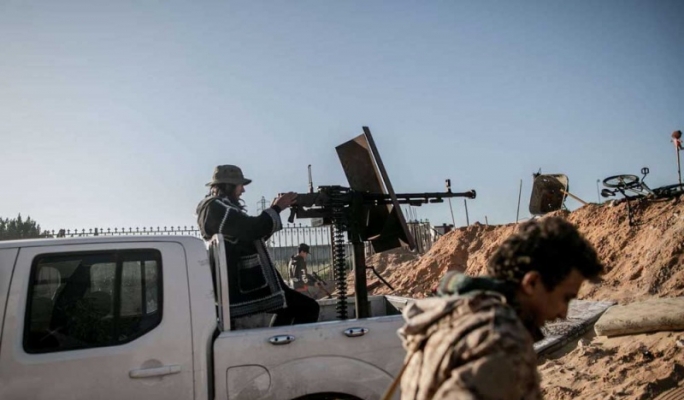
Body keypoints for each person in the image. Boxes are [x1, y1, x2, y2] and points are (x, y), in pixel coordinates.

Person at [393, 216, 604, 400]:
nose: (563, 313)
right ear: (532, 283)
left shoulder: (455, 316)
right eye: (565, 298)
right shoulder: (502, 340)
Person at [196, 165, 320, 327]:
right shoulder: (215, 208)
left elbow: (249, 235)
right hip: (244, 283)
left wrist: (274, 210)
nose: (243, 190)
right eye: (240, 185)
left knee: (291, 309)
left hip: (240, 280)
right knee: (309, 308)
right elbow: (251, 229)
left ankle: (277, 340)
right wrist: (276, 208)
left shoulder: (218, 207)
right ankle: (284, 342)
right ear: (228, 185)